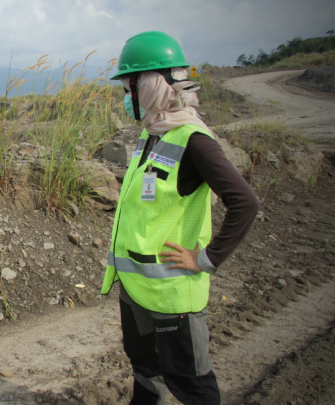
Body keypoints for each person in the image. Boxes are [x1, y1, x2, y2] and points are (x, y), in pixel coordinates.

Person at [101, 31, 259, 404]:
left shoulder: (194, 139)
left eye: (130, 88)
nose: (126, 98)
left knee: (191, 383)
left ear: (153, 85)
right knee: (145, 372)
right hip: (137, 289)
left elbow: (245, 202)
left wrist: (206, 258)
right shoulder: (152, 135)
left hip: (173, 294)